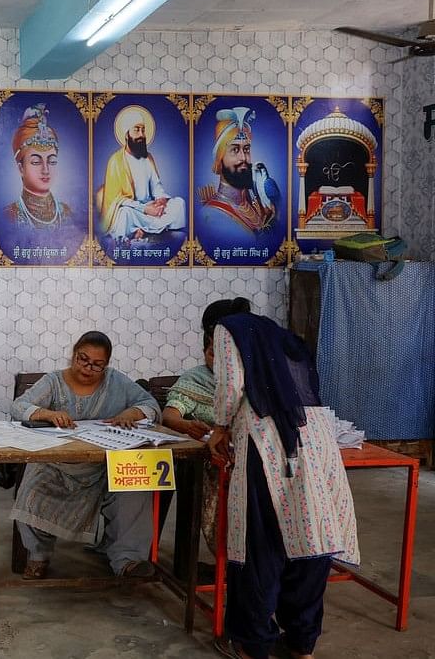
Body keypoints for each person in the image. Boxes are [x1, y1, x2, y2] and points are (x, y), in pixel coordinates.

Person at [209, 313, 359, 659]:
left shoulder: (228, 328)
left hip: (267, 445)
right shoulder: (284, 339)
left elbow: (231, 387)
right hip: (317, 443)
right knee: (311, 538)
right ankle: (301, 644)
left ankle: (253, 644)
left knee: (262, 546)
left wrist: (219, 426)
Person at [10, 331, 162, 579]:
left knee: (134, 485)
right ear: (73, 355)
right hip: (58, 463)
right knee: (34, 483)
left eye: (97, 364)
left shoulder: (116, 382)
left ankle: (127, 561)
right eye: (83, 359)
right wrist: (46, 414)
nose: (88, 368)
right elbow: (19, 406)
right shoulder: (54, 382)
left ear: (106, 365)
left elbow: (150, 405)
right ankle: (38, 555)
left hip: (103, 465)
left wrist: (131, 413)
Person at [161, 297, 252, 555]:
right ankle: (231, 556)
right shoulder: (197, 378)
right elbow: (169, 416)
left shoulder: (252, 375)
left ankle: (250, 556)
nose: (219, 359)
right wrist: (186, 425)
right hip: (212, 458)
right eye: (213, 353)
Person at [97, 105, 185, 242]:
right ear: (127, 134)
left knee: (179, 204)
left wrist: (161, 198)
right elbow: (117, 200)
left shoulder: (148, 157)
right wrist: (145, 209)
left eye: (143, 130)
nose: (142, 135)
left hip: (151, 208)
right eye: (137, 130)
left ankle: (142, 230)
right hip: (134, 210)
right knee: (124, 215)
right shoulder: (116, 161)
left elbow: (156, 185)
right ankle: (149, 229)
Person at [198, 107, 277, 233]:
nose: (243, 158)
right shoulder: (211, 214)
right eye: (235, 150)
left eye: (246, 149)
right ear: (220, 158)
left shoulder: (257, 203)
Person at [3, 103, 72, 228]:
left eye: (52, 162)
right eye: (36, 162)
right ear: (21, 168)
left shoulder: (68, 214)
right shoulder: (9, 216)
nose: (46, 170)